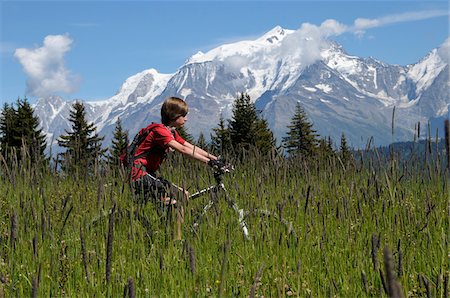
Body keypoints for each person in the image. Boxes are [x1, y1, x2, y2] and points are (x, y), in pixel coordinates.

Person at [131, 96, 222, 206]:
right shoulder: (160, 132)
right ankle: (175, 222)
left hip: (148, 173)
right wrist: (208, 163)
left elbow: (190, 147)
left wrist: (215, 159)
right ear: (173, 115)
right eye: (183, 115)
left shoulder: (172, 133)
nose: (186, 119)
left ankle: (168, 221)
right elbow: (183, 149)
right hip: (139, 173)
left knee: (177, 199)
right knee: (180, 197)